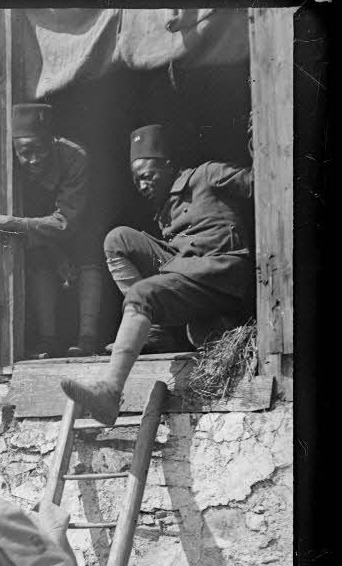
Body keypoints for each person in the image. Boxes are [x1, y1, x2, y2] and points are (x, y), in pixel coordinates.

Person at [60, 123, 254, 425]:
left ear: (167, 165)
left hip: (219, 274)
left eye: (147, 176)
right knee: (118, 238)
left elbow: (259, 180)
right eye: (137, 181)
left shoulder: (207, 175)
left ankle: (111, 390)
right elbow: (177, 256)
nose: (142, 185)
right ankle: (154, 330)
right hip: (186, 271)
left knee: (143, 293)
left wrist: (261, 140)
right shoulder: (165, 208)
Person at [0, 102, 104, 358]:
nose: (34, 159)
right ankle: (48, 341)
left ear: (52, 141)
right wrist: (55, 253)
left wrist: (10, 223)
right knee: (36, 256)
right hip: (36, 228)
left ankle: (87, 339)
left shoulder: (75, 157)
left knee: (89, 250)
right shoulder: (4, 162)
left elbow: (66, 221)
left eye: (41, 149)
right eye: (25, 152)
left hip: (75, 221)